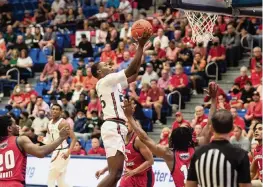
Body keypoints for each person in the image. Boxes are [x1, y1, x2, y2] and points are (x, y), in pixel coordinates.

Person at [90, 32, 151, 187]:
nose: (109, 65)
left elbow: (134, 75)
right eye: (105, 65)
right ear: (99, 72)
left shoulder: (113, 83)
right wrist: (141, 46)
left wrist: (141, 51)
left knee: (116, 174)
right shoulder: (105, 80)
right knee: (115, 173)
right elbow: (130, 70)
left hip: (116, 126)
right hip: (113, 125)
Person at [122, 98, 195, 187]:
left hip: (143, 177)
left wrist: (129, 117)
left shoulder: (169, 154)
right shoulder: (196, 152)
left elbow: (144, 138)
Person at [186, 94, 252, 186]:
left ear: (212, 129)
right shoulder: (240, 154)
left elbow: (189, 185)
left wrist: (213, 99)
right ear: (232, 128)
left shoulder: (198, 153)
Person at [0, 115, 70, 187]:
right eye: (14, 124)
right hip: (14, 184)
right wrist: (60, 138)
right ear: (9, 128)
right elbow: (41, 152)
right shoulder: (20, 140)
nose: (18, 126)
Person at [96, 122, 155, 187]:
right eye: (124, 123)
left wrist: (134, 171)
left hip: (143, 176)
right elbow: (117, 159)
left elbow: (150, 161)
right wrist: (104, 170)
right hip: (128, 175)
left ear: (133, 125)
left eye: (128, 122)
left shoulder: (138, 140)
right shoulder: (120, 140)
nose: (126, 124)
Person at [39, 104, 76, 187]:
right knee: (61, 182)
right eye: (53, 109)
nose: (54, 111)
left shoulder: (63, 123)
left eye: (57, 109)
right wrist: (43, 140)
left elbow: (74, 138)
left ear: (60, 111)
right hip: (56, 151)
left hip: (62, 152)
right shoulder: (49, 123)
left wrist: (68, 152)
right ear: (50, 111)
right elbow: (50, 142)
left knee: (50, 179)